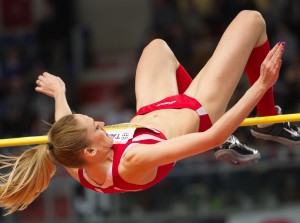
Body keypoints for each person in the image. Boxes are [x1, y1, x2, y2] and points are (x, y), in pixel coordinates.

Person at [0, 10, 296, 215]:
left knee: (157, 47)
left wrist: (61, 92)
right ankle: (268, 123)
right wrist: (260, 85)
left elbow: (64, 128)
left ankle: (255, 123)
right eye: (97, 127)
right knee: (252, 21)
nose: (103, 123)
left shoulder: (76, 161)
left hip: (153, 109)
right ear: (91, 150)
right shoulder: (132, 160)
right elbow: (212, 136)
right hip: (199, 112)